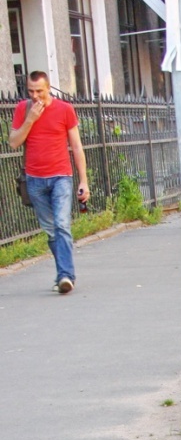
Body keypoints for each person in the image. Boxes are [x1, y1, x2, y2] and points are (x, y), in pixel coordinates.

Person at [10, 70, 90, 295]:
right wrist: (30, 119)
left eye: (40, 91)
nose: (35, 96)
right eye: (31, 91)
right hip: (34, 179)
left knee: (62, 224)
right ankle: (62, 273)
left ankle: (66, 275)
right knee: (51, 231)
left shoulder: (64, 109)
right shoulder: (23, 110)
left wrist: (83, 180)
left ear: (49, 88)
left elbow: (76, 146)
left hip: (61, 177)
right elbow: (14, 142)